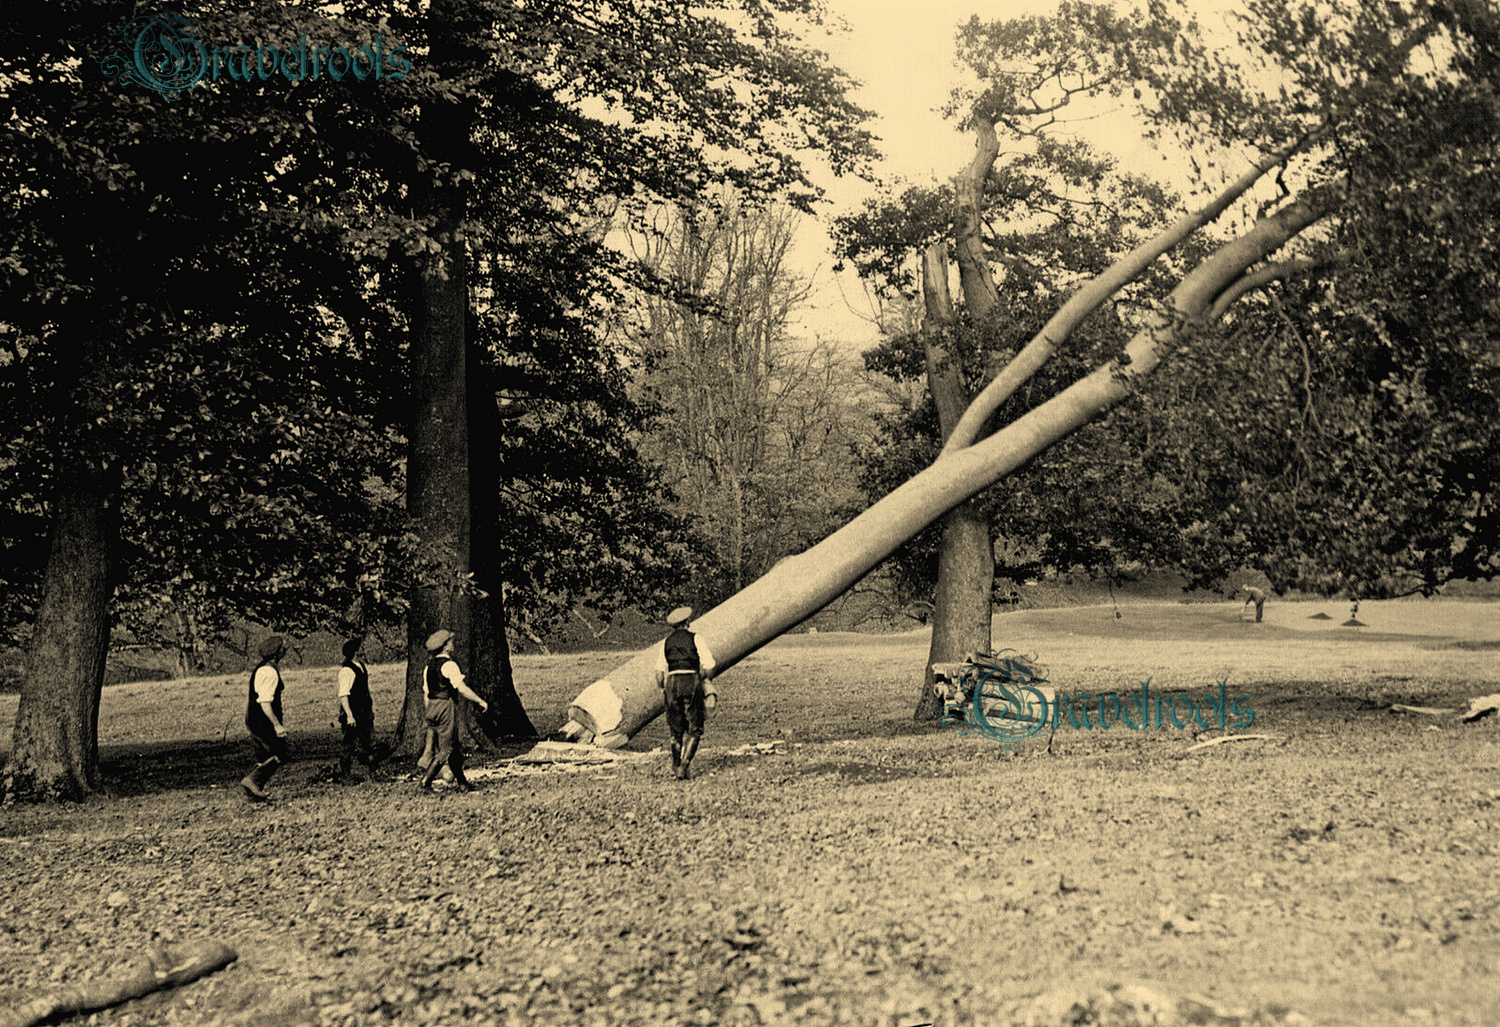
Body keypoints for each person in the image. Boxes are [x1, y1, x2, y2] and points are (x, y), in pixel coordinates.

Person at [418, 629, 489, 794]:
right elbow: (462, 689)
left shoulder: (428, 668)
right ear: (445, 647)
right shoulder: (449, 665)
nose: (453, 644)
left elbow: (426, 693)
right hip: (445, 707)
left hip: (433, 707)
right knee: (446, 749)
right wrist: (480, 700)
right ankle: (425, 783)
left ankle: (463, 783)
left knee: (454, 748)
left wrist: (430, 713)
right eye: (450, 642)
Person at [653, 606, 718, 780]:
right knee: (695, 728)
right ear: (687, 622)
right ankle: (684, 765)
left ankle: (675, 764)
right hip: (691, 680)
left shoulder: (665, 643)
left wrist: (663, 689)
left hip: (672, 683)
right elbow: (710, 665)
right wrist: (704, 679)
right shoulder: (696, 638)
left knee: (675, 729)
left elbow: (659, 674)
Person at [241, 635, 289, 802]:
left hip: (255, 718)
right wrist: (276, 725)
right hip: (263, 719)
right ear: (277, 652)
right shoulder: (269, 672)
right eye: (283, 647)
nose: (286, 649)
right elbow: (265, 701)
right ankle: (252, 781)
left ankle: (254, 793)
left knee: (264, 756)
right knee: (279, 754)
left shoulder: (262, 668)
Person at [335, 638, 379, 782]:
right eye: (361, 648)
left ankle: (374, 773)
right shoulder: (346, 670)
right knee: (348, 744)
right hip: (353, 713)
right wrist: (349, 715)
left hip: (364, 712)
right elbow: (343, 694)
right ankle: (346, 775)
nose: (363, 649)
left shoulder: (360, 666)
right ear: (355, 652)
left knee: (369, 743)